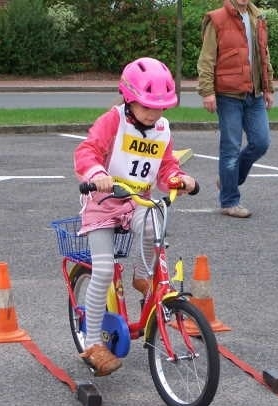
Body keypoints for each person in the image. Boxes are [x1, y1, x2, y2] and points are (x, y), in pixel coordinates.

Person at [73, 57, 198, 375]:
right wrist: (98, 172)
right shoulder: (113, 121)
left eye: (161, 108)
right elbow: (86, 151)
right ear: (129, 99)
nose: (155, 114)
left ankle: (143, 278)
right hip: (103, 201)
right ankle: (92, 344)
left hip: (137, 202)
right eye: (147, 107)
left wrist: (177, 178)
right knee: (102, 270)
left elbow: (166, 165)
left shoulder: (161, 129)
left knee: (155, 219)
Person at [197, 0, 274, 218]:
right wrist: (207, 92)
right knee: (230, 148)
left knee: (261, 142)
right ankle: (230, 201)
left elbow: (263, 56)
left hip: (255, 93)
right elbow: (206, 59)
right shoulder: (217, 19)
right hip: (228, 94)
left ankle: (228, 180)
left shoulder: (257, 18)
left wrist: (268, 88)